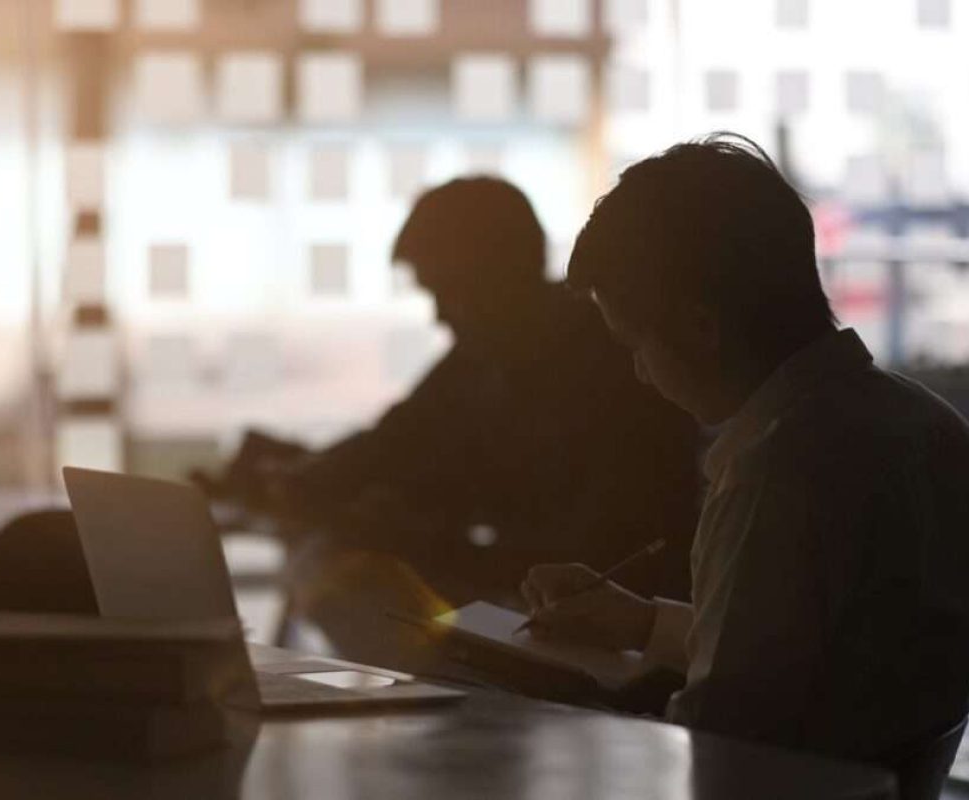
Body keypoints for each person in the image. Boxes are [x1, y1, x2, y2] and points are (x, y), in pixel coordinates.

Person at [522, 133, 969, 764]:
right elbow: (821, 655)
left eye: (635, 346)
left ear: (701, 328)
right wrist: (641, 623)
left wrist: (563, 726)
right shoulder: (924, 423)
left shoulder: (777, 469)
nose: (640, 375)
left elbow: (726, 736)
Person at [201, 176, 700, 656]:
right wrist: (301, 475)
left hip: (605, 634)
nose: (440, 316)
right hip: (532, 600)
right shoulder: (484, 358)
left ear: (500, 276)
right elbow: (394, 440)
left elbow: (591, 558)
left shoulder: (615, 373)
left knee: (337, 575)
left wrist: (413, 535)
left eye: (450, 292)